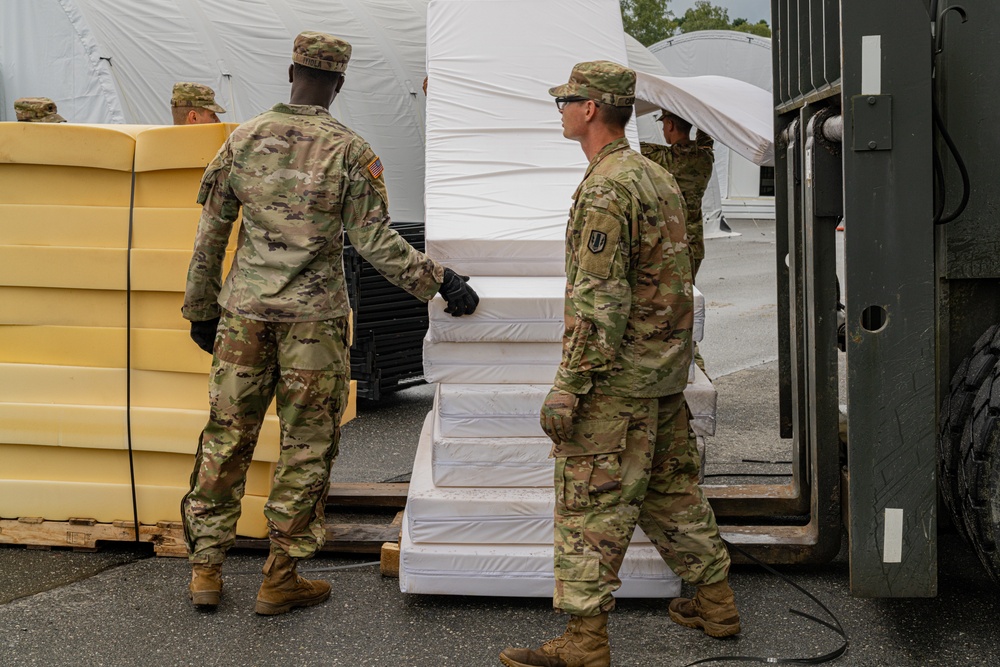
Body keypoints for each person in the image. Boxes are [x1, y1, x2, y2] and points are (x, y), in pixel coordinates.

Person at [180, 30, 479, 616]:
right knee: (307, 447)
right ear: (337, 83)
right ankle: (279, 578)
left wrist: (200, 309)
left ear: (291, 71)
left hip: (243, 318)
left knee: (226, 436)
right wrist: (439, 280)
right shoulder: (349, 150)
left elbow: (210, 236)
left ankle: (206, 571)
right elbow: (374, 242)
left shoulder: (242, 140)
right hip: (312, 326)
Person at [499, 62, 738, 667]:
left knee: (590, 505)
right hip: (660, 374)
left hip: (617, 380)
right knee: (669, 491)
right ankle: (716, 603)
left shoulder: (608, 187)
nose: (560, 109)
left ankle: (585, 643)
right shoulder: (654, 176)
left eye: (565, 100)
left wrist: (568, 387)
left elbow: (599, 300)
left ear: (588, 110)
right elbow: (684, 267)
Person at [640, 111, 714, 278]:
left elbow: (630, 146)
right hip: (694, 244)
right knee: (689, 295)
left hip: (670, 244)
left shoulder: (662, 158)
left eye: (664, 124)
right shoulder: (705, 157)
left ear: (670, 125)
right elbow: (706, 139)